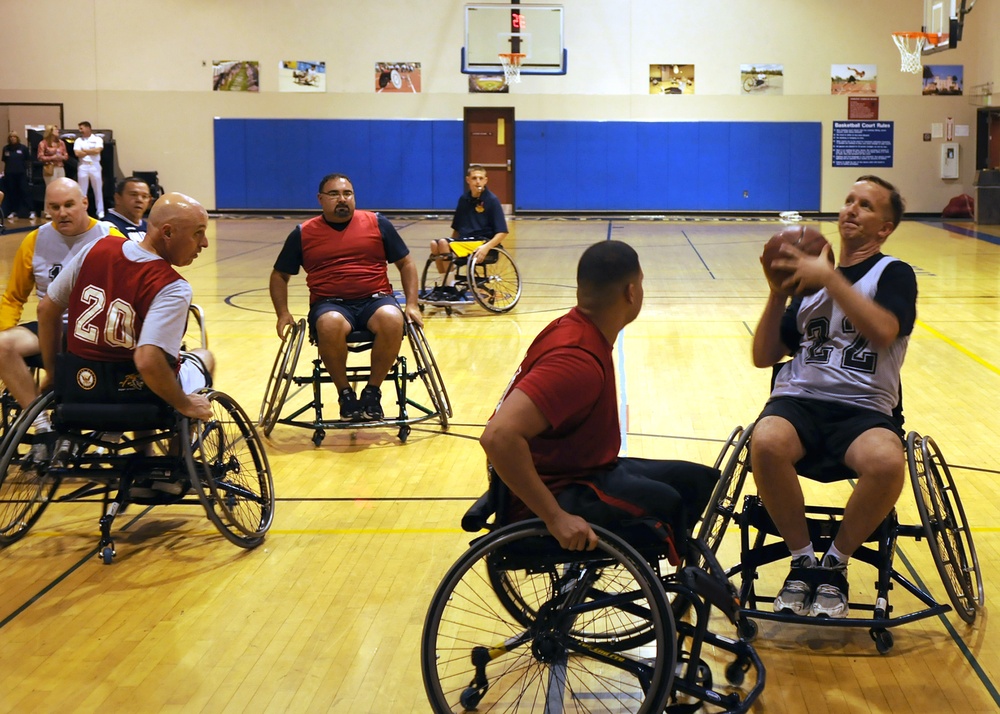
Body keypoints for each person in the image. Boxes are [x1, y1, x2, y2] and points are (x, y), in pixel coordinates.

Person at [480, 240, 718, 552]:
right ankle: (672, 587)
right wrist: (555, 517)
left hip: (576, 468)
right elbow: (497, 437)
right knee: (667, 502)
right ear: (631, 293)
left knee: (694, 480)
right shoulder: (576, 360)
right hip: (556, 491)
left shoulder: (577, 327)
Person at [750, 175, 916, 619]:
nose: (851, 210)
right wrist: (776, 294)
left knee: (886, 461)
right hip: (799, 403)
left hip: (863, 411)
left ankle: (835, 564)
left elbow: (883, 330)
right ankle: (803, 558)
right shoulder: (807, 284)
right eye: (848, 201)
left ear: (885, 227)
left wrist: (831, 278)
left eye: (865, 205)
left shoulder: (893, 274)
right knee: (765, 441)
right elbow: (763, 355)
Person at [37, 192, 215, 433]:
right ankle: (177, 459)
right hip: (139, 397)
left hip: (80, 388)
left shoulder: (97, 247)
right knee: (204, 357)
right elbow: (148, 360)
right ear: (168, 232)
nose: (204, 243)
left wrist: (53, 373)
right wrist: (185, 404)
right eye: (198, 233)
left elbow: (46, 309)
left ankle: (144, 451)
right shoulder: (172, 286)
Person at [269, 173, 422, 422]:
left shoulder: (377, 223)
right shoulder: (303, 233)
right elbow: (279, 276)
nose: (342, 199)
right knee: (329, 323)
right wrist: (282, 313)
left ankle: (372, 392)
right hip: (330, 303)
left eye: (347, 194)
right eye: (334, 194)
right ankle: (346, 394)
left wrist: (412, 304)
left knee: (393, 318)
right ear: (320, 199)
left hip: (375, 298)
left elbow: (406, 263)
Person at [0, 178, 124, 455]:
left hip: (94, 328)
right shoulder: (36, 239)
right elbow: (13, 297)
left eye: (69, 205)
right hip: (49, 326)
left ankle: (86, 423)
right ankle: (42, 425)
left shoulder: (110, 237)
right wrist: (4, 329)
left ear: (84, 203)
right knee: (2, 346)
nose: (62, 213)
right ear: (46, 209)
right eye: (54, 207)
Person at [428, 165, 508, 297]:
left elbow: (502, 232)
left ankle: (450, 286)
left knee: (442, 243)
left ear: (486, 180)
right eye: (474, 178)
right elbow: (457, 228)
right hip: (464, 241)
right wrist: (449, 246)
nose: (478, 181)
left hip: (482, 242)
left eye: (480, 178)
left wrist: (486, 247)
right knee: (435, 244)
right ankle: (446, 284)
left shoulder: (492, 201)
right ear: (468, 180)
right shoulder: (464, 199)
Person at [102, 176, 152, 241]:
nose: (139, 200)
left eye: (144, 196)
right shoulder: (105, 228)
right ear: (117, 198)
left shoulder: (150, 228)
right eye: (133, 194)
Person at [74, 121, 105, 218]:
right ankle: (82, 211)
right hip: (83, 166)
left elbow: (97, 150)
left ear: (88, 128)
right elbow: (77, 153)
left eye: (82, 128)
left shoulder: (97, 139)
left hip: (95, 166)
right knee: (82, 191)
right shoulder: (78, 140)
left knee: (98, 189)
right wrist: (90, 152)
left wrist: (85, 151)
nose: (80, 131)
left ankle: (100, 211)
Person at [2, 132, 34, 220]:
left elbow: (28, 160)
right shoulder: (6, 149)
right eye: (11, 137)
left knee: (24, 192)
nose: (12, 138)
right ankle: (13, 211)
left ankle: (30, 211)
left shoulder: (23, 148)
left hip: (21, 174)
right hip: (9, 175)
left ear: (17, 138)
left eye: (14, 136)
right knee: (12, 193)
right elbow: (4, 160)